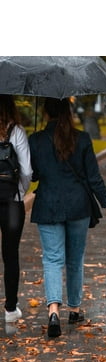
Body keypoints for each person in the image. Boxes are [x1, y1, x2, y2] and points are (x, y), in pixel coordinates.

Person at [29, 98, 106, 338]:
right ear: (68, 112)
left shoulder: (36, 140)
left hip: (48, 205)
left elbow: (33, 175)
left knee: (52, 259)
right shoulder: (82, 139)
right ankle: (75, 309)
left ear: (46, 113)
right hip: (78, 206)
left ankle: (53, 311)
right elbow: (93, 178)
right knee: (74, 259)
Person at [0, 95, 32, 323]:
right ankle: (10, 309)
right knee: (10, 255)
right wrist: (21, 190)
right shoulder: (17, 131)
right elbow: (27, 170)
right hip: (12, 200)